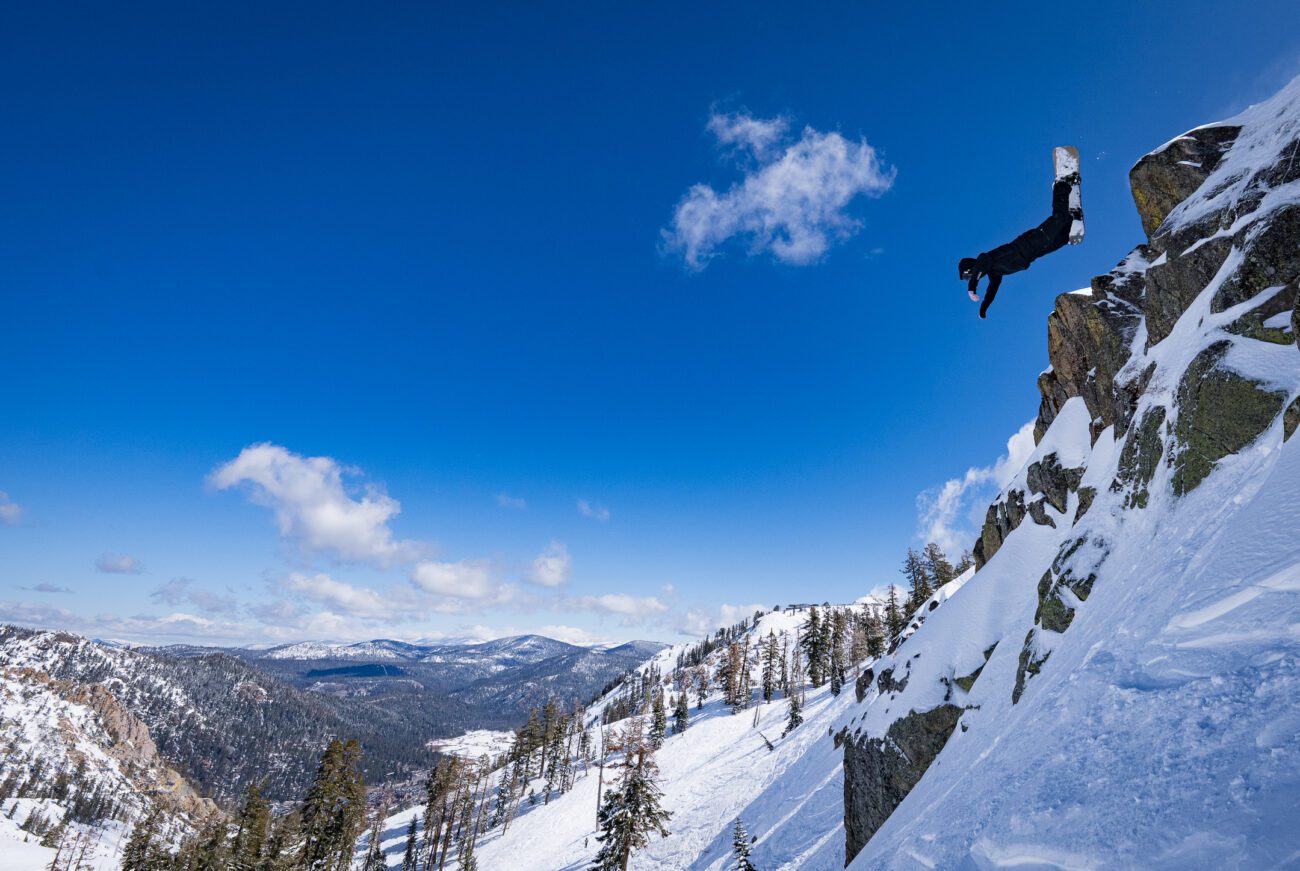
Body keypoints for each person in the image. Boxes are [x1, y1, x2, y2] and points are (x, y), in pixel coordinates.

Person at [960, 170, 1081, 318]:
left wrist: (972, 287)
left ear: (969, 269)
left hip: (1029, 242)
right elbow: (991, 291)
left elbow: (979, 266)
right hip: (1033, 254)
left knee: (1058, 219)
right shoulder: (994, 273)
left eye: (967, 275)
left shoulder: (984, 259)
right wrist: (984, 308)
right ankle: (1071, 217)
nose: (969, 278)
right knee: (1061, 240)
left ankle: (1062, 184)